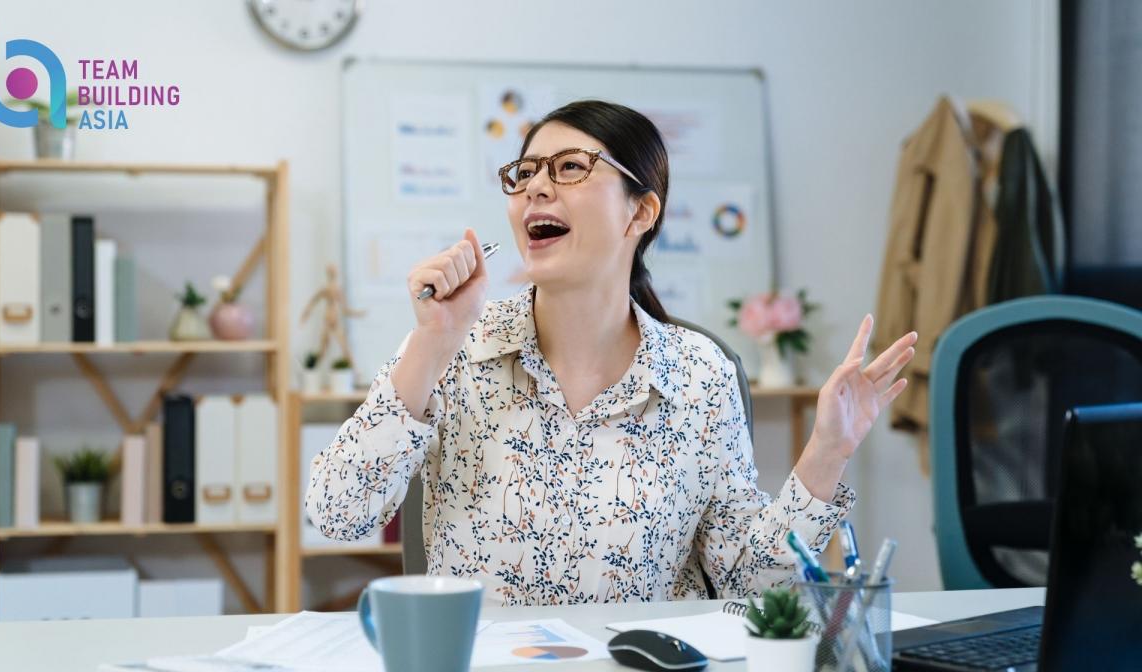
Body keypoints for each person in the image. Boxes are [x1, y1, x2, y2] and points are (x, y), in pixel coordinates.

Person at [306, 100, 917, 605]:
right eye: (524, 173)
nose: (536, 187)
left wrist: (828, 450)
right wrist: (431, 343)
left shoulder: (699, 375)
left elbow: (748, 582)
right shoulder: (454, 350)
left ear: (641, 212)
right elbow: (335, 514)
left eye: (571, 167)